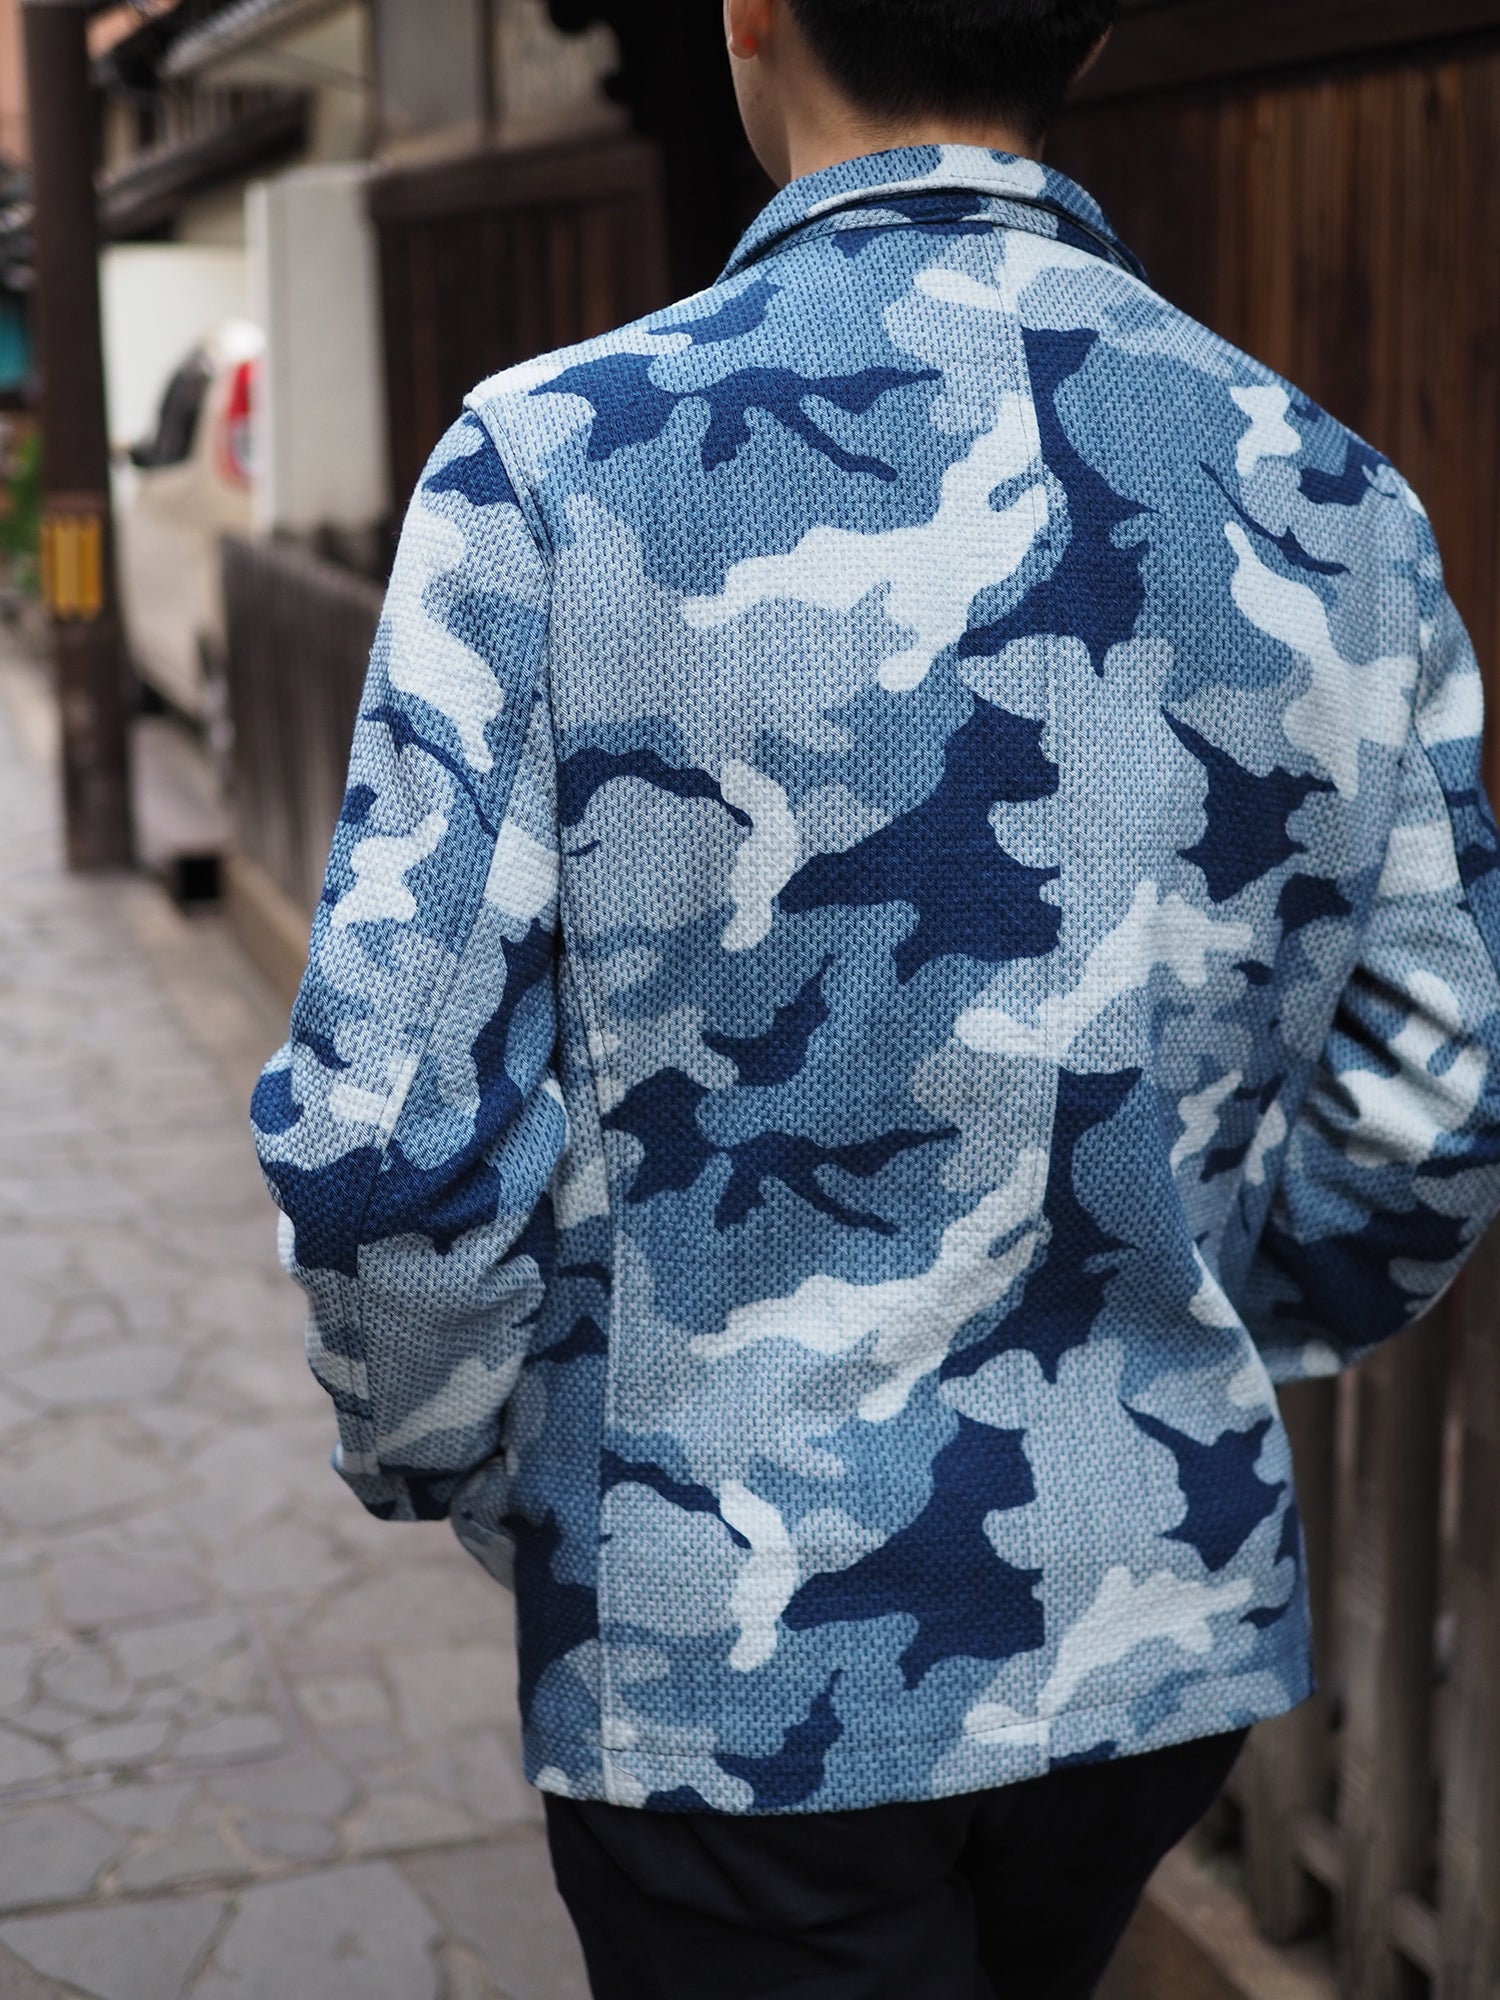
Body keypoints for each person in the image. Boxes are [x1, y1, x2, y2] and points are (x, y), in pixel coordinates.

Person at [251, 0, 1500, 1991]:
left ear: (748, 9)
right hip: (1151, 1613)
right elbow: (1433, 1097)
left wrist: (474, 1461)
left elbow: (385, 1134)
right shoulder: (1339, 500)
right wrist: (1194, 1336)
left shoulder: (555, 463)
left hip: (729, 1651)